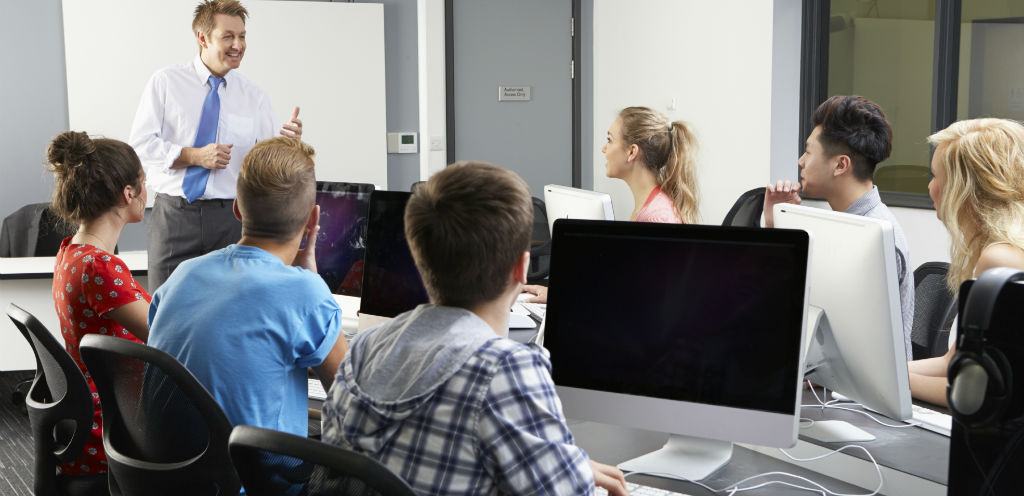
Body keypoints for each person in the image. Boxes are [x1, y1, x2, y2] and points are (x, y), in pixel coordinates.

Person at [321, 161, 628, 496]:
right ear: (522, 268)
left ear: (419, 258)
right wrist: (570, 470)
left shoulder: (365, 348)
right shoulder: (504, 369)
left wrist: (562, 463)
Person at [147, 137, 347, 437]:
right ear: (313, 219)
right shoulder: (306, 294)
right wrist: (312, 281)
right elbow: (352, 403)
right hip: (257, 481)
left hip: (159, 477)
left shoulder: (180, 276)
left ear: (237, 209)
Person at [129, 0, 303, 291]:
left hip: (231, 219)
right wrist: (193, 156)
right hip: (175, 217)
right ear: (202, 38)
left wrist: (291, 144)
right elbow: (140, 146)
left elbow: (268, 162)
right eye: (229, 37)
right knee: (166, 312)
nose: (238, 45)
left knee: (230, 310)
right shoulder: (166, 82)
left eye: (242, 36)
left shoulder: (254, 96)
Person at [763, 95, 915, 361]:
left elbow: (870, 354)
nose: (801, 161)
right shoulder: (840, 226)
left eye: (808, 152)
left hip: (861, 399)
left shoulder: (878, 237)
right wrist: (775, 222)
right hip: (830, 385)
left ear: (840, 165)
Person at [46, 131, 151, 478]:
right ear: (128, 194)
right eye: (144, 182)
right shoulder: (99, 267)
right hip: (114, 426)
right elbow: (164, 333)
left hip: (93, 414)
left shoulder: (71, 251)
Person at [522, 106, 699, 303]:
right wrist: (558, 294)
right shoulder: (648, 207)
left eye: (609, 140)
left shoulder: (656, 218)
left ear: (632, 152)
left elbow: (646, 301)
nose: (604, 148)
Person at [907, 118, 1024, 406]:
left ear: (963, 189)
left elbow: (978, 394)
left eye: (935, 176)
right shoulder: (999, 249)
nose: (931, 187)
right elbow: (953, 361)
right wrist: (861, 374)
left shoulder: (1001, 260)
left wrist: (888, 381)